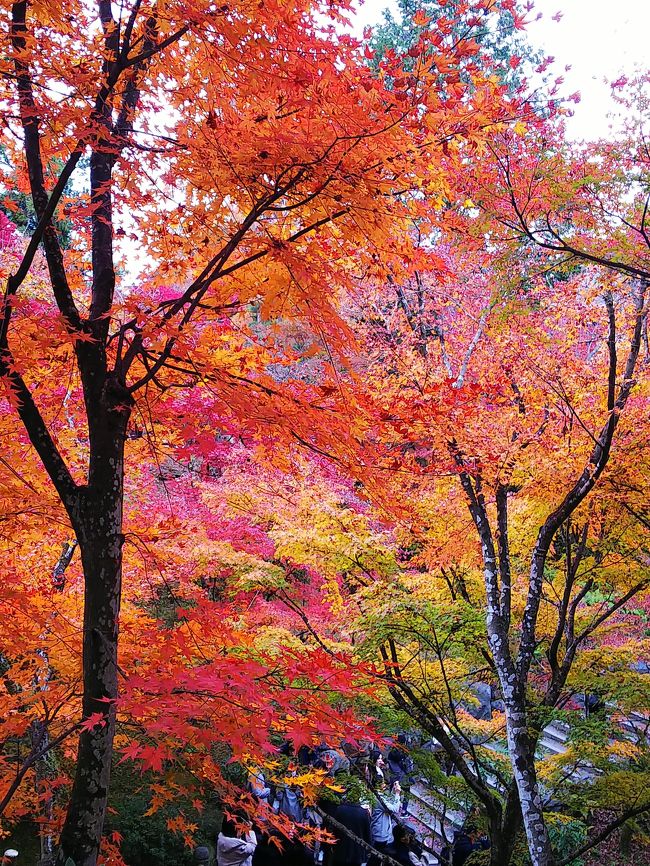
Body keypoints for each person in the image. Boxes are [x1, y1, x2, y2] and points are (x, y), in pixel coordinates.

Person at [329, 794, 371, 866]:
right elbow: (367, 834)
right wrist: (368, 851)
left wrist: (332, 846)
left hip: (340, 850)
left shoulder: (339, 809)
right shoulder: (363, 813)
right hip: (357, 853)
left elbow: (333, 830)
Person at [369, 781, 401, 852]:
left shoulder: (378, 795)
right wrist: (397, 793)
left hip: (381, 831)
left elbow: (389, 803)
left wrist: (393, 791)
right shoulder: (378, 798)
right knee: (376, 856)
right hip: (380, 833)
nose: (385, 785)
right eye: (382, 783)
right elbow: (394, 809)